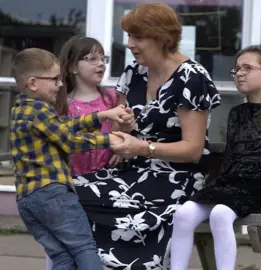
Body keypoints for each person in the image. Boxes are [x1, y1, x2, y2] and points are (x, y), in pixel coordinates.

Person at [71, 3, 221, 269]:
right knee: (67, 191)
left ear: (162, 37)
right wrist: (125, 129)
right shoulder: (134, 73)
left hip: (177, 176)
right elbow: (119, 131)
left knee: (102, 200)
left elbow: (193, 149)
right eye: (129, 37)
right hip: (134, 169)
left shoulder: (192, 78)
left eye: (138, 37)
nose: (130, 44)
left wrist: (140, 147)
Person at [170, 45, 261, 270]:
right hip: (231, 186)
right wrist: (217, 187)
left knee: (220, 214)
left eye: (247, 68)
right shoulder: (236, 114)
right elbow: (230, 156)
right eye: (236, 69)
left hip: (260, 188)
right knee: (183, 213)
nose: (239, 73)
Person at [9, 48, 130, 270]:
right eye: (55, 79)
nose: (60, 84)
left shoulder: (21, 109)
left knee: (63, 258)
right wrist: (109, 140)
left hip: (28, 200)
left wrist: (102, 116)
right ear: (33, 83)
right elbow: (70, 141)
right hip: (53, 194)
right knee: (84, 248)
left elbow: (63, 127)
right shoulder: (40, 110)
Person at [45, 36, 136, 270]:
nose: (101, 64)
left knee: (99, 250)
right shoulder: (62, 105)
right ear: (73, 66)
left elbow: (130, 132)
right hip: (72, 186)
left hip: (108, 185)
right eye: (92, 58)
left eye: (103, 58)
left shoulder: (113, 99)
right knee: (64, 248)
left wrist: (126, 143)